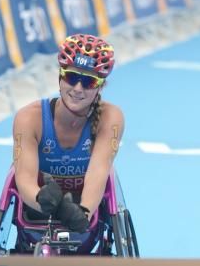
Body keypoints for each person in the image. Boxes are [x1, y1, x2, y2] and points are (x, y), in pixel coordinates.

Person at [11, 34, 124, 254]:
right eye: (72, 77)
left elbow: (99, 172)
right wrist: (43, 200)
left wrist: (83, 213)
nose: (79, 88)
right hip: (38, 204)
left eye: (89, 81)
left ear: (100, 86)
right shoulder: (29, 118)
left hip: (84, 212)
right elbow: (23, 178)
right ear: (60, 77)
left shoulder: (111, 118)